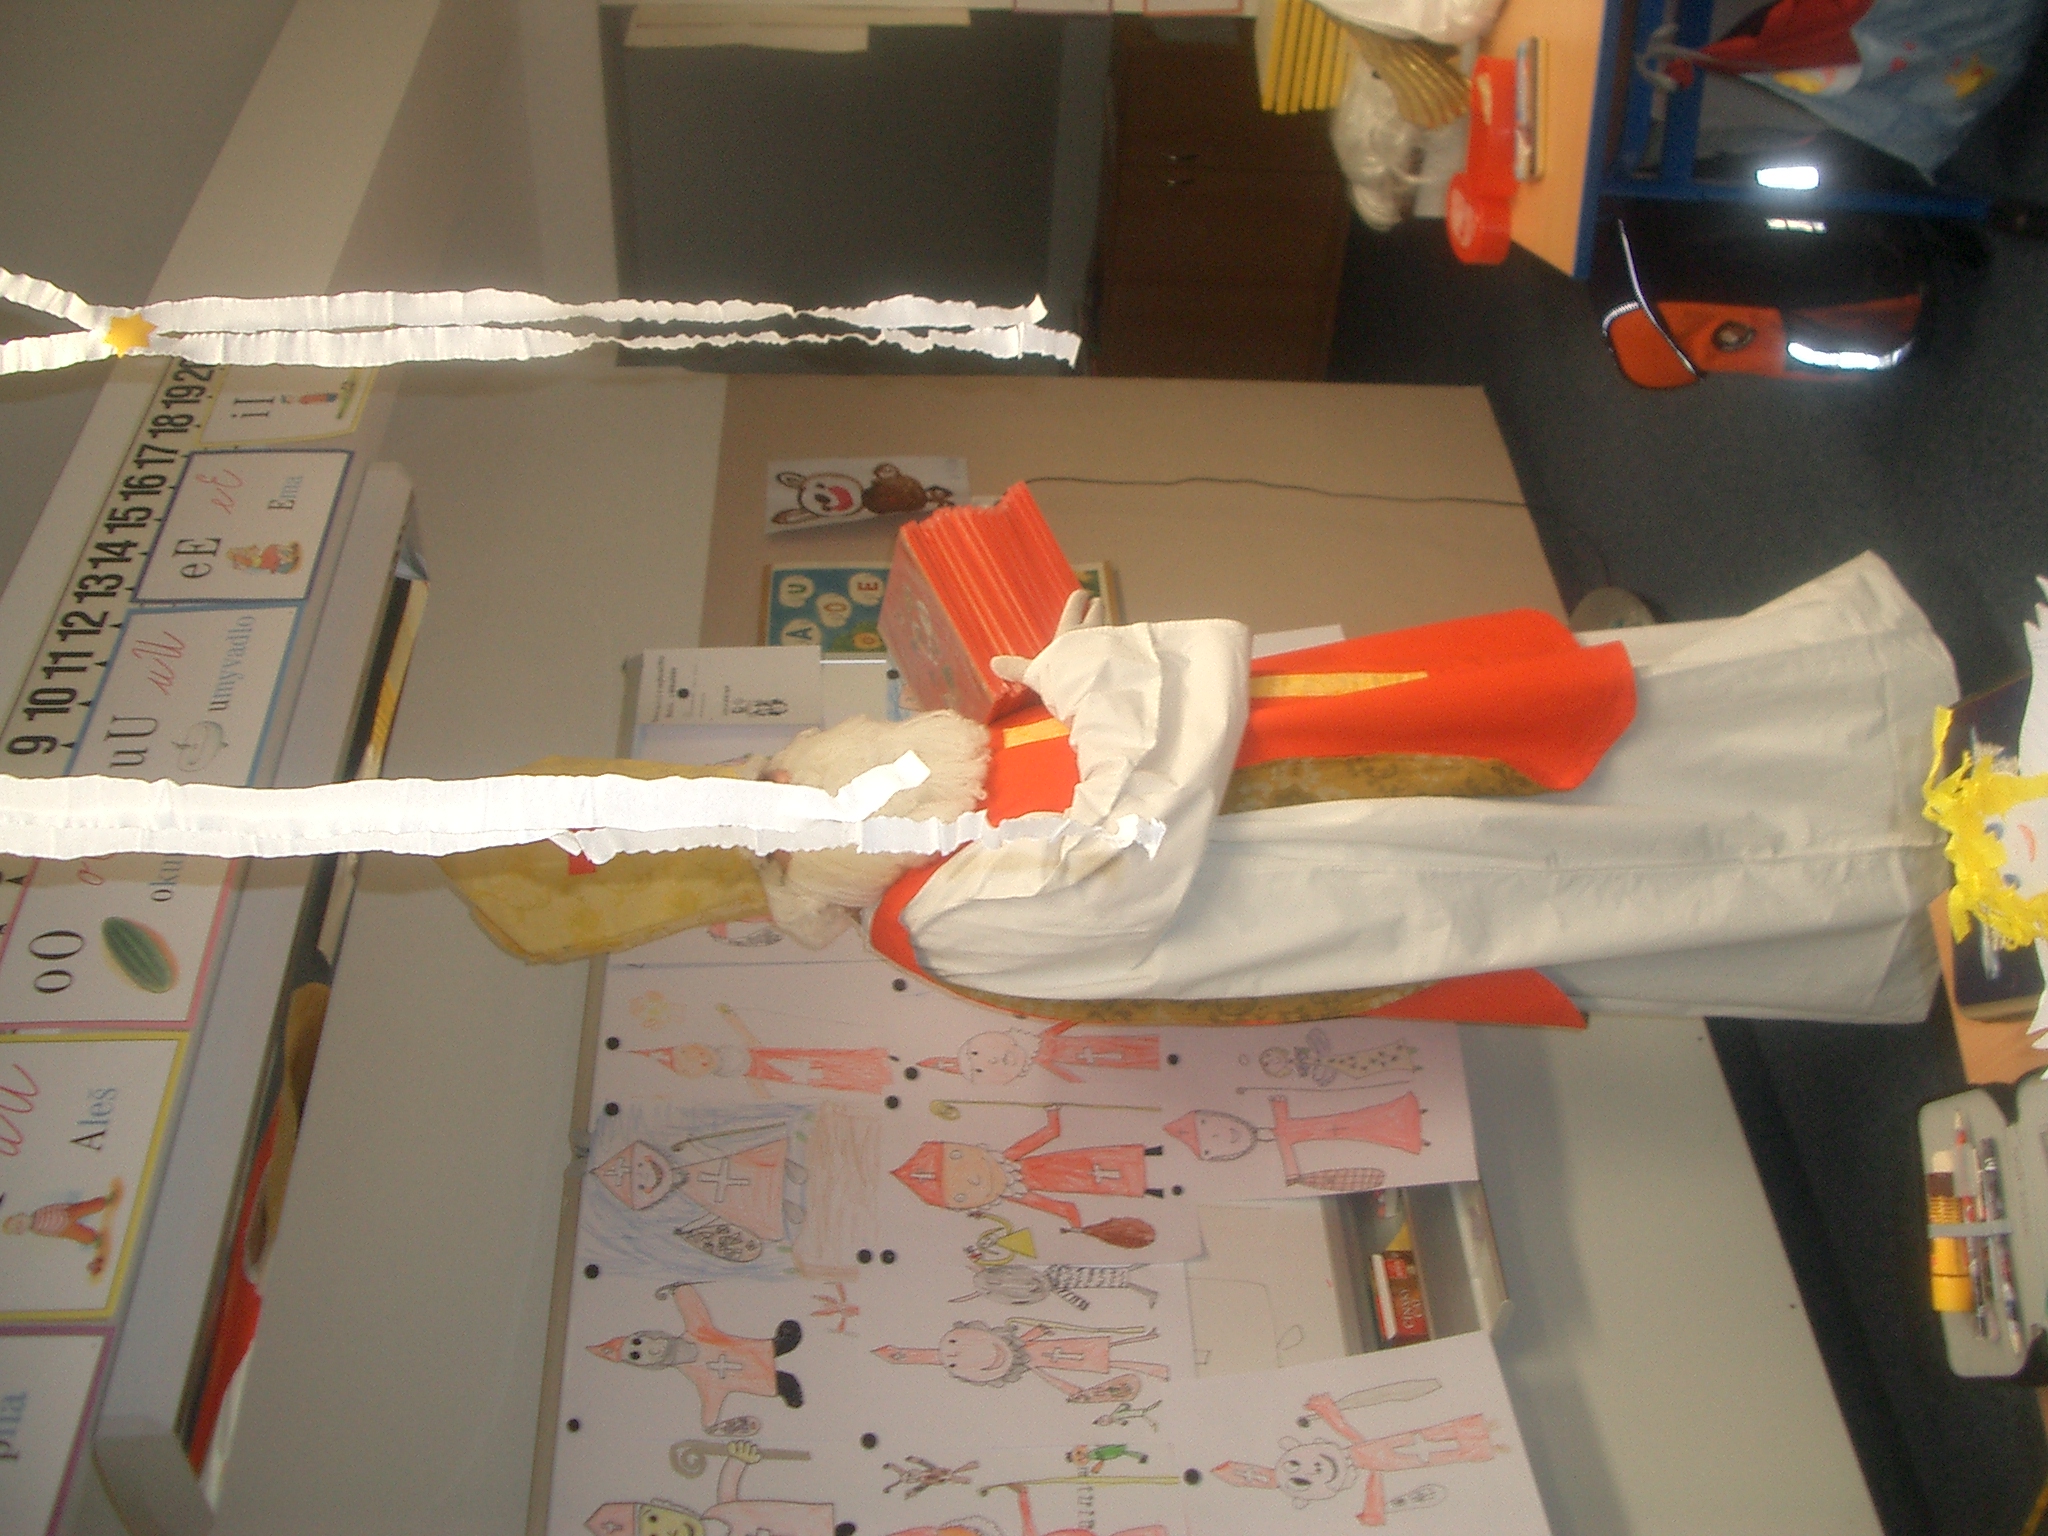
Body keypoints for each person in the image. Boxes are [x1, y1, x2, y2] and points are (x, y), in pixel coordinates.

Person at [761, 553, 1955, 1025]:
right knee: (1633, 855)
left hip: (1348, 761)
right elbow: (1122, 854)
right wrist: (1092, 672)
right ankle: (1919, 851)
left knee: (1633, 734)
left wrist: (1064, 664)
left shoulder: (943, 797)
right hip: (1352, 866)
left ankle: (1889, 724)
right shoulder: (933, 919)